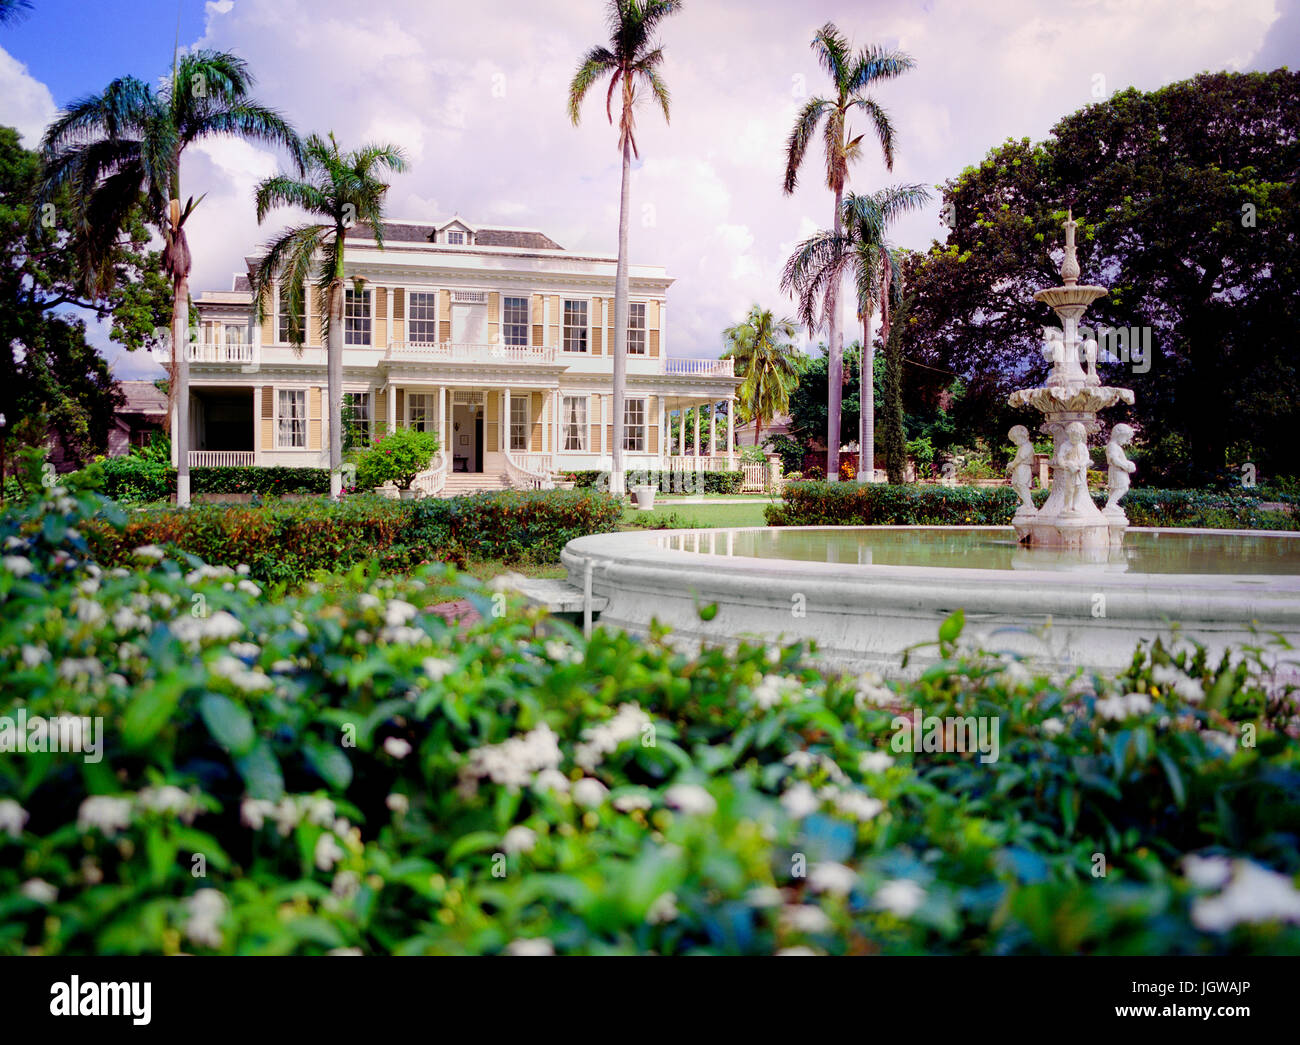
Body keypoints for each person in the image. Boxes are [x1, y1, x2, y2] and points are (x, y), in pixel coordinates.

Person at [1056, 421, 1090, 514]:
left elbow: (1086, 457)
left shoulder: (1083, 446)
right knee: (1069, 489)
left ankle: (1076, 505)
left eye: (1077, 436)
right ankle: (1067, 505)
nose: (1074, 438)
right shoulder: (1065, 445)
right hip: (1069, 470)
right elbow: (1060, 456)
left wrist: (1081, 464)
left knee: (1079, 488)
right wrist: (1063, 464)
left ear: (1081, 436)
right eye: (1072, 436)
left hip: (1080, 470)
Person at [1105, 423, 1136, 512]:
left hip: (1118, 470)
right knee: (1123, 487)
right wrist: (1126, 466)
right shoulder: (1112, 446)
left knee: (1115, 488)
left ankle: (1111, 504)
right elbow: (1114, 460)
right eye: (1126, 438)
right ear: (1119, 435)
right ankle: (1111, 504)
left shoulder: (1115, 446)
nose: (1126, 441)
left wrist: (1129, 464)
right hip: (1117, 470)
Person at [1007, 425, 1036, 513]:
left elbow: (1020, 458)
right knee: (1016, 485)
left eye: (1015, 440)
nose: (1015, 443)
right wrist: (1013, 465)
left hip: (1023, 467)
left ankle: (1028, 505)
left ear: (1021, 437)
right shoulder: (1022, 447)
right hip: (1019, 468)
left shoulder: (1027, 446)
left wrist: (1013, 464)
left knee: (1022, 485)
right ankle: (1028, 503)